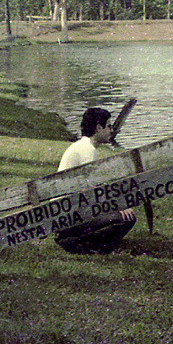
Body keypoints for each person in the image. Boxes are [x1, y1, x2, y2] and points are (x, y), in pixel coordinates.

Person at [54, 106, 136, 255]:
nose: (111, 130)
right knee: (126, 219)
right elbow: (91, 193)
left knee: (122, 216)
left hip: (66, 213)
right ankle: (84, 244)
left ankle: (82, 240)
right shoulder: (88, 150)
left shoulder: (83, 146)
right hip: (68, 217)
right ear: (99, 128)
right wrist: (118, 206)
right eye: (109, 126)